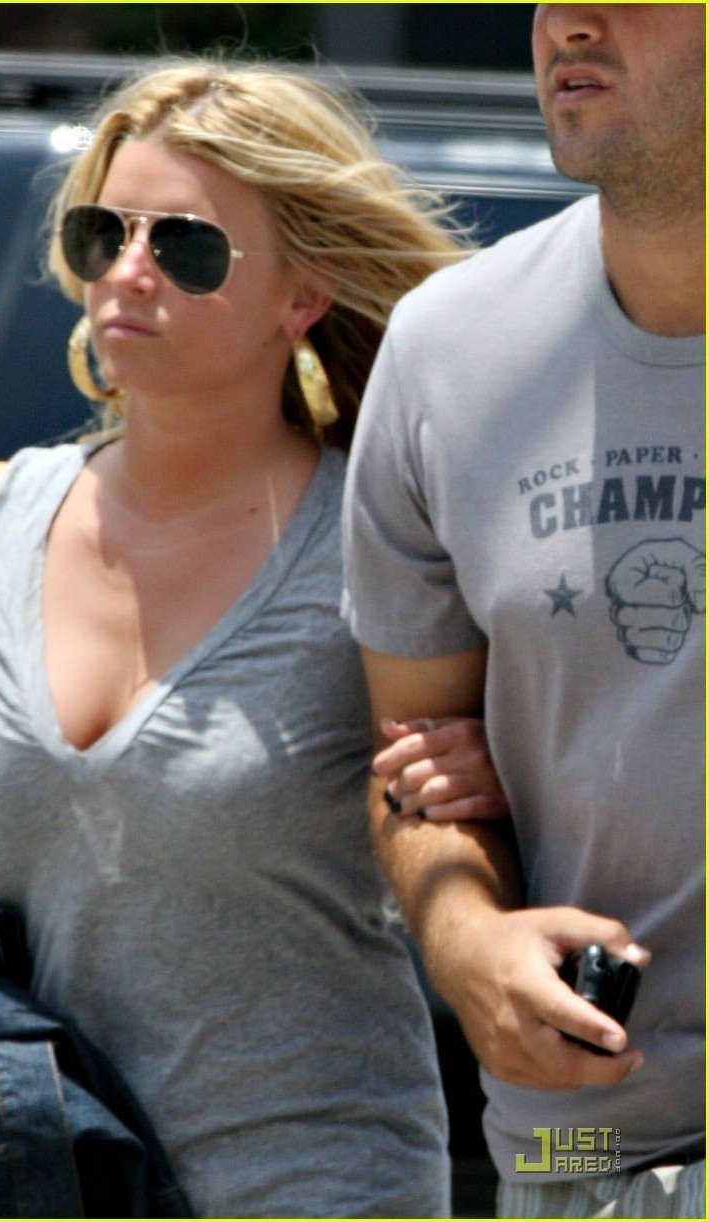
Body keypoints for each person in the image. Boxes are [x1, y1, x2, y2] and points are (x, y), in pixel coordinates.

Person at [0, 59, 509, 1218]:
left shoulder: (380, 543)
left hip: (313, 1185)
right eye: (102, 232)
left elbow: (488, 783)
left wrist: (492, 766)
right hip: (37, 1181)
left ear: (302, 296)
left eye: (185, 247)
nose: (128, 271)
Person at [341, 5, 704, 1218]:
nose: (568, 24)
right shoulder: (448, 350)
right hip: (576, 1159)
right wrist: (467, 944)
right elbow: (414, 765)